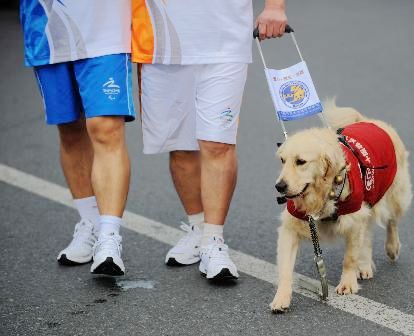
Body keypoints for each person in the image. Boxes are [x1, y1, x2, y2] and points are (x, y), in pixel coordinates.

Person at [132, 0, 287, 280]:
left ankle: (214, 240)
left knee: (218, 143)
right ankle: (197, 227)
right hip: (159, 38)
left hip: (225, 39)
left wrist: (275, 6)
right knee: (180, 145)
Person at [20, 0, 134, 276]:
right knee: (70, 129)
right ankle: (90, 223)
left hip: (106, 31)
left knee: (106, 128)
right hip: (47, 27)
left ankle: (108, 236)